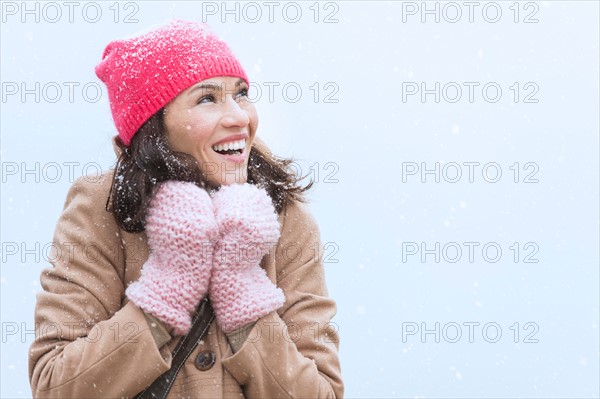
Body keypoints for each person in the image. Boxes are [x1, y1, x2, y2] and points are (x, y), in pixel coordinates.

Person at [28, 20, 343, 398]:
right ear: (154, 125)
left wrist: (244, 296)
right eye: (207, 99)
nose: (239, 117)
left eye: (241, 94)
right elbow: (55, 386)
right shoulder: (102, 209)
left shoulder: (283, 216)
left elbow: (322, 393)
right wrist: (165, 293)